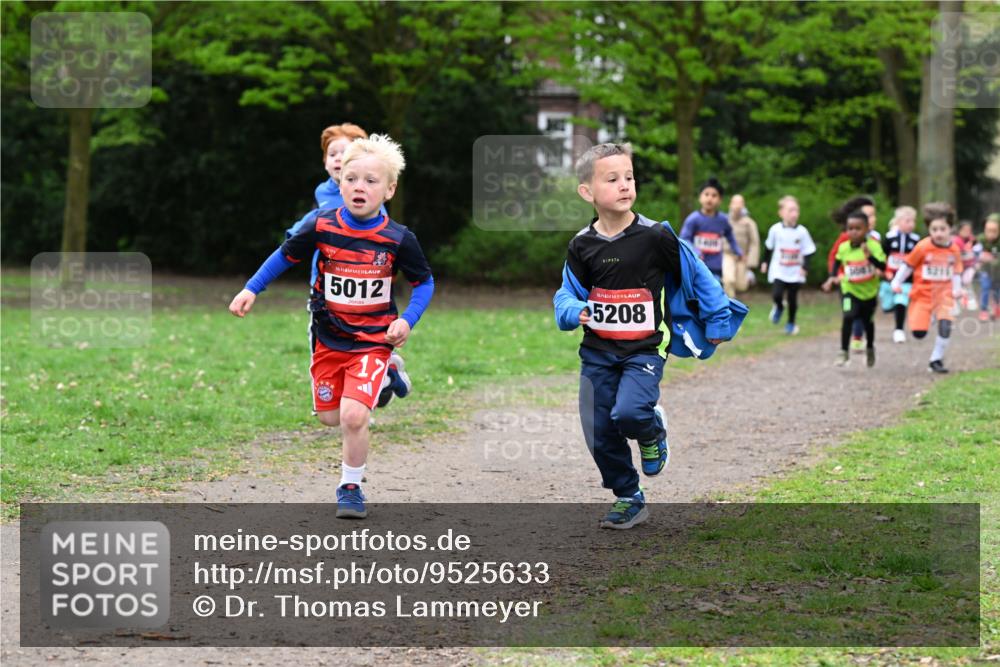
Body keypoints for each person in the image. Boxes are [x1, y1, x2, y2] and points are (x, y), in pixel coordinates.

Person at [228, 135, 435, 518]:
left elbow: (424, 283)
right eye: (352, 178)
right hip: (329, 337)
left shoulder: (398, 238)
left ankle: (350, 487)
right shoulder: (321, 224)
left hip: (373, 340)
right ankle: (388, 379)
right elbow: (285, 255)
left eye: (371, 181)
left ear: (389, 189)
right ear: (339, 184)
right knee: (329, 417)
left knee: (354, 417)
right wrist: (251, 288)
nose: (360, 187)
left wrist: (407, 319)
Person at [286, 123, 411, 409]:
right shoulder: (324, 190)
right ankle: (373, 382)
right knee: (322, 339)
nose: (339, 159)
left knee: (364, 340)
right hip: (324, 281)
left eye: (346, 152)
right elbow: (317, 220)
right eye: (333, 154)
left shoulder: (365, 193)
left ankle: (373, 383)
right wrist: (297, 233)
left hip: (363, 281)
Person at [890, 202, 964, 374]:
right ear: (929, 230)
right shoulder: (922, 247)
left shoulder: (954, 249)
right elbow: (908, 265)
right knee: (918, 333)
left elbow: (956, 272)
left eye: (942, 229)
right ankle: (926, 318)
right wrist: (896, 282)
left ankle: (935, 359)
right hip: (922, 295)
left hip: (944, 296)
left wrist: (957, 289)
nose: (938, 233)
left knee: (945, 325)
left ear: (950, 229)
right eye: (934, 229)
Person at [822, 209, 886, 368]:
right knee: (848, 316)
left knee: (867, 322)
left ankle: (870, 347)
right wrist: (832, 277)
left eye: (858, 229)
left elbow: (883, 266)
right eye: (850, 228)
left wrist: (869, 256)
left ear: (867, 229)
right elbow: (837, 262)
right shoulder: (844, 247)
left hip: (869, 293)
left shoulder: (874, 246)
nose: (854, 232)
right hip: (849, 290)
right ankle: (843, 351)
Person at [760, 195, 816, 335]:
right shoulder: (775, 230)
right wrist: (764, 262)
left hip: (795, 271)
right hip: (779, 269)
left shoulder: (802, 232)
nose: (794, 214)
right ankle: (779, 306)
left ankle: (791, 323)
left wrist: (805, 267)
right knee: (777, 294)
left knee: (792, 298)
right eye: (790, 210)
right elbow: (768, 247)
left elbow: (809, 251)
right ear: (781, 213)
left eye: (796, 210)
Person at [829, 196, 878, 352]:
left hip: (867, 285)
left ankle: (861, 337)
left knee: (865, 313)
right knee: (851, 312)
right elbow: (833, 258)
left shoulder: (875, 239)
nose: (872, 219)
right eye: (868, 215)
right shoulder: (846, 238)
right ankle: (856, 338)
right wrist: (836, 275)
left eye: (873, 215)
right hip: (848, 285)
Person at [680, 178, 742, 281]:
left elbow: (730, 236)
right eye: (706, 194)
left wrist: (738, 251)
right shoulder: (693, 219)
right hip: (696, 266)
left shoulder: (723, 220)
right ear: (700, 197)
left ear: (720, 200)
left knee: (713, 292)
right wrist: (696, 252)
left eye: (714, 195)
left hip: (715, 268)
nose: (710, 198)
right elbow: (684, 239)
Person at [880, 206, 921, 343]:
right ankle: (890, 307)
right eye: (907, 221)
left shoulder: (916, 240)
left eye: (912, 221)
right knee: (887, 305)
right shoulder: (889, 238)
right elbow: (882, 256)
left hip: (906, 280)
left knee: (901, 301)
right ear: (898, 222)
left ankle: (899, 330)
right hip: (889, 278)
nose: (911, 224)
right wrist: (885, 271)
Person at [722, 194, 760, 297]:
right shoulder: (724, 220)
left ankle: (749, 276)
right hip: (727, 254)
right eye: (735, 203)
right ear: (730, 205)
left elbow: (754, 243)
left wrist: (750, 262)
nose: (737, 206)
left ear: (743, 205)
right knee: (729, 280)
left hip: (743, 257)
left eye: (740, 203)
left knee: (741, 285)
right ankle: (730, 304)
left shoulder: (749, 223)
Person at [975, 214, 1000, 321]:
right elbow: (973, 251)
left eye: (994, 231)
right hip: (985, 270)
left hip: (998, 272)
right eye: (988, 230)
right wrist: (978, 256)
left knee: (997, 290)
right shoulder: (980, 239)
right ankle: (984, 310)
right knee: (985, 288)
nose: (990, 234)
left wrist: (992, 259)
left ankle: (997, 307)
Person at [954, 220, 978, 311]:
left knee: (967, 281)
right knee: (957, 286)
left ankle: (971, 301)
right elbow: (957, 255)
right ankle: (959, 302)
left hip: (970, 266)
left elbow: (977, 250)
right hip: (958, 268)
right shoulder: (957, 241)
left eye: (969, 230)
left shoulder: (972, 239)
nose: (967, 232)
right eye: (964, 230)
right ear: (959, 230)